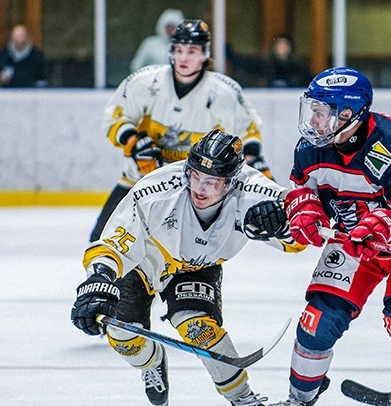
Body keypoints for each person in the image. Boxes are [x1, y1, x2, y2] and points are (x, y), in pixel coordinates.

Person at [255, 66, 391, 406]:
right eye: (312, 110)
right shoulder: (311, 147)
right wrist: (304, 211)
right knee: (316, 322)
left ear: (348, 115)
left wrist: (387, 225)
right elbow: (302, 190)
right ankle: (298, 400)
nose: (312, 121)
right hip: (353, 240)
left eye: (321, 113)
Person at [71, 130, 300, 406]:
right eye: (195, 176)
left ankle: (245, 400)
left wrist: (284, 225)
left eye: (212, 182)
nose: (200, 189)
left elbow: (302, 233)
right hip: (145, 261)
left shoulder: (255, 192)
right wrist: (99, 279)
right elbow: (114, 243)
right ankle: (152, 361)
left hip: (197, 267)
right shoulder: (156, 190)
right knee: (124, 336)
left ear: (231, 182)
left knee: (199, 329)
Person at [89, 19, 273, 242]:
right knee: (101, 242)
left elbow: (248, 133)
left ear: (204, 55)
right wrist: (133, 142)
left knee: (185, 254)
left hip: (193, 192)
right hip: (140, 182)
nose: (183, 58)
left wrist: (254, 165)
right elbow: (116, 116)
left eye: (192, 51)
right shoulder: (146, 82)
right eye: (179, 50)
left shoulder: (224, 93)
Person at [226, 33, 313, 88]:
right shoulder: (266, 63)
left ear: (290, 47)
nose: (282, 48)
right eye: (279, 44)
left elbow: (306, 81)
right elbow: (244, 63)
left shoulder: (299, 65)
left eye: (285, 44)